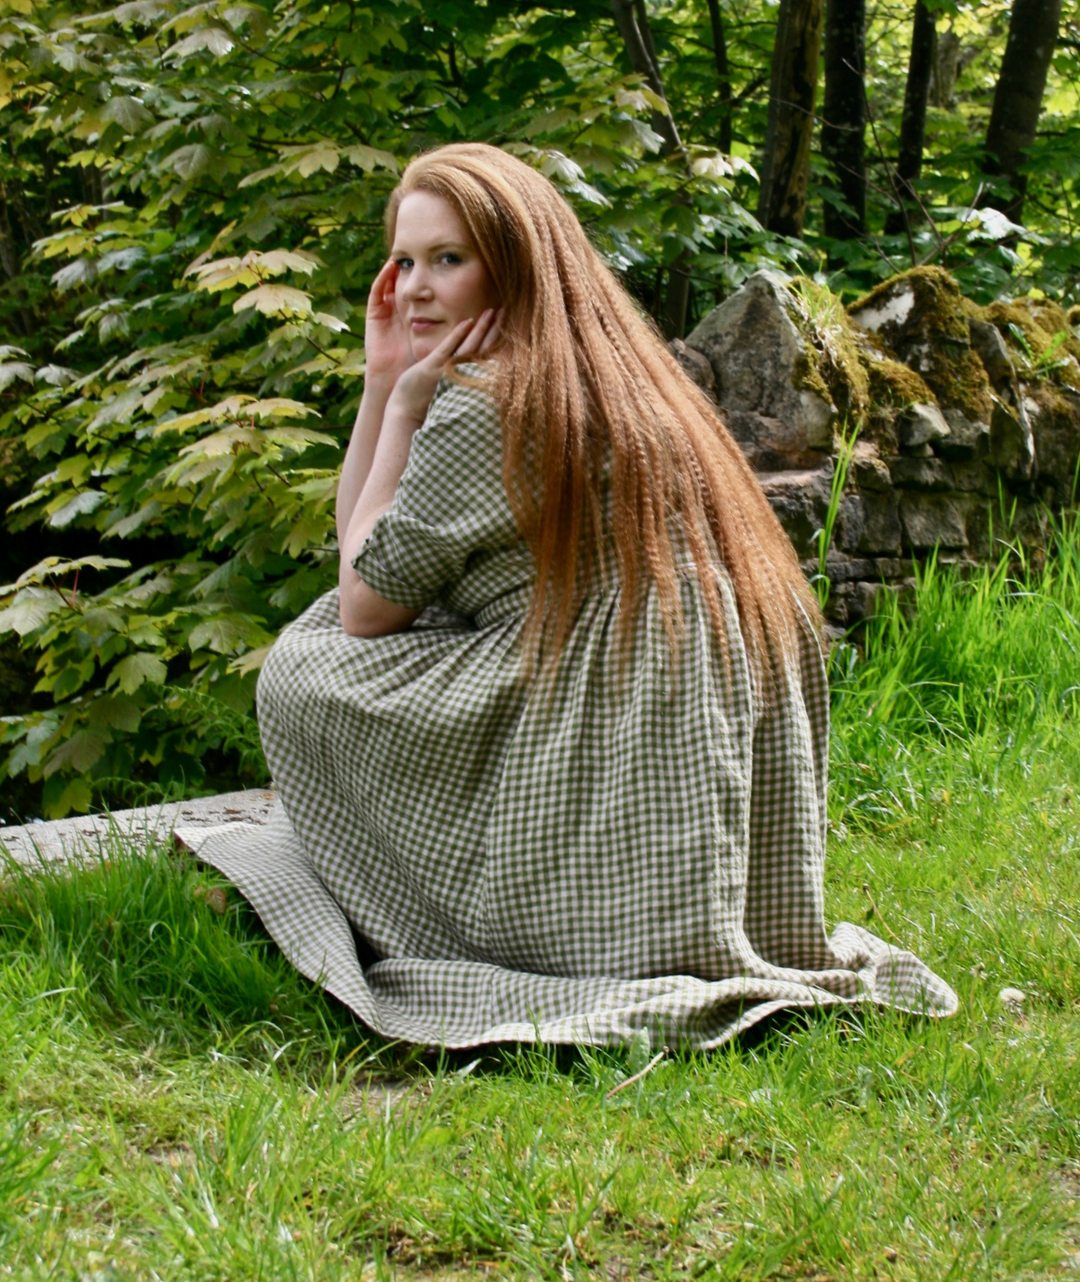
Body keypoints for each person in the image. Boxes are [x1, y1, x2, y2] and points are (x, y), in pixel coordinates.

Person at [187, 144, 957, 1049]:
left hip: (622, 677)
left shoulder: (488, 400)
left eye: (449, 259)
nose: (416, 288)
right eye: (405, 260)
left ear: (513, 263)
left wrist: (394, 407)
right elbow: (378, 560)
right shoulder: (612, 373)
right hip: (691, 659)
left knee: (307, 664)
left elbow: (362, 599)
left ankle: (451, 911)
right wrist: (387, 380)